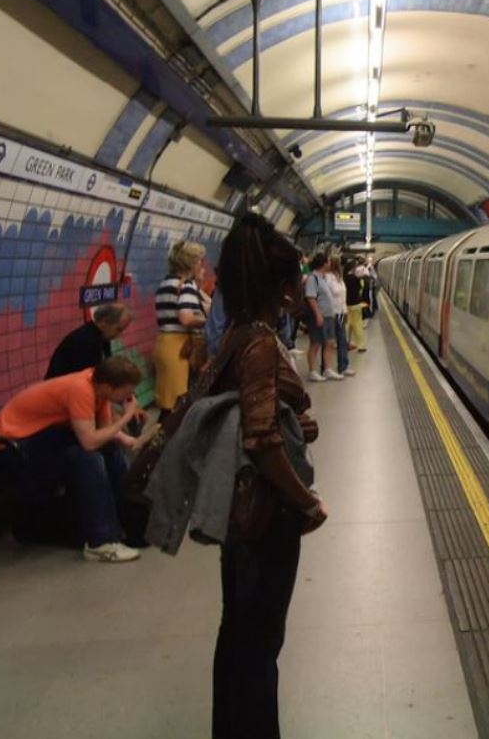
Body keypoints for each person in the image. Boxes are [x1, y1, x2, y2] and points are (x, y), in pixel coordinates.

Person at [208, 212, 327, 739]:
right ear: (282, 290)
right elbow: (260, 439)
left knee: (237, 634)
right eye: (297, 279)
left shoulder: (236, 335)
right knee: (260, 646)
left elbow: (254, 417)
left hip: (241, 515)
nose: (302, 288)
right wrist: (305, 501)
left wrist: (298, 420)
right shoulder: (260, 343)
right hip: (266, 516)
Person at [0, 357, 145, 562]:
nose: (130, 396)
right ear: (108, 386)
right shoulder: (81, 389)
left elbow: (104, 433)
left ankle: (128, 523)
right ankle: (101, 541)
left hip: (42, 437)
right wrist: (126, 416)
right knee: (88, 459)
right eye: (126, 390)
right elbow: (89, 442)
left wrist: (127, 439)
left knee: (109, 452)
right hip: (13, 444)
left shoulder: (99, 389)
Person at [154, 241, 208, 418]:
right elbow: (185, 317)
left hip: (164, 343)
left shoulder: (166, 283)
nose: (202, 264)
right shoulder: (186, 286)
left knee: (167, 402)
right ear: (191, 263)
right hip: (179, 347)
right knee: (177, 405)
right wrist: (206, 321)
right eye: (200, 261)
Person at [45, 304, 132, 379]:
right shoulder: (85, 341)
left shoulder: (101, 337)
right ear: (104, 322)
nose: (119, 335)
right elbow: (87, 379)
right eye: (118, 329)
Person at [302, 254, 330, 382]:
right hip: (316, 316)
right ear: (323, 264)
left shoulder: (323, 277)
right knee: (315, 343)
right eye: (328, 261)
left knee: (323, 342)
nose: (330, 263)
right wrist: (318, 314)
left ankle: (325, 370)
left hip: (325, 315)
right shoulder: (313, 278)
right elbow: (311, 297)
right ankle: (312, 371)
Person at [325, 257, 353, 377]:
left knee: (342, 339)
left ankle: (343, 366)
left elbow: (343, 297)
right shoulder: (328, 278)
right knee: (329, 342)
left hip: (340, 313)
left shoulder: (339, 278)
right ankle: (326, 368)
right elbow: (329, 295)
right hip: (331, 313)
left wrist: (345, 311)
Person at [344, 260, 368, 352]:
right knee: (357, 326)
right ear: (353, 268)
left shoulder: (344, 278)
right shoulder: (355, 279)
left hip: (346, 305)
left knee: (347, 326)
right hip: (356, 304)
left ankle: (345, 344)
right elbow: (359, 289)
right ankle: (361, 346)